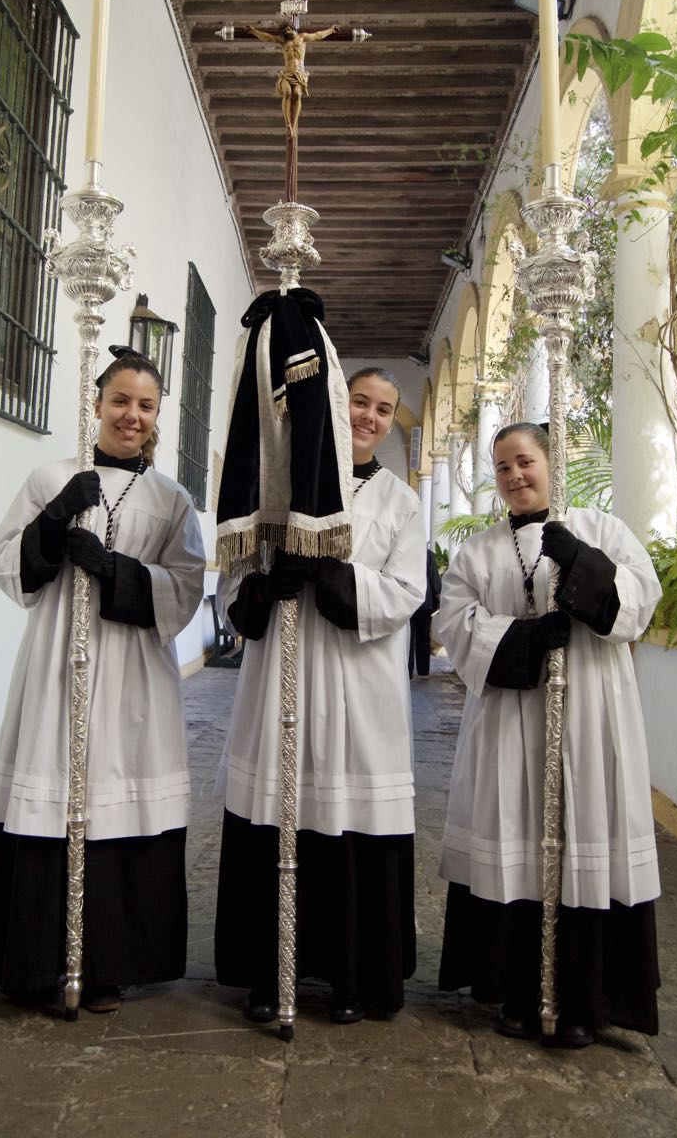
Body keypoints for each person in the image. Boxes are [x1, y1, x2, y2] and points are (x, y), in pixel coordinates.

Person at [0, 347, 205, 1015]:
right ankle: (35, 962)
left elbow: (187, 587)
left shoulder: (171, 497)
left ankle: (110, 962)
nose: (131, 416)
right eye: (120, 401)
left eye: (145, 406)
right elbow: (2, 561)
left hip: (133, 670)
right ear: (97, 402)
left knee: (121, 799)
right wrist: (54, 520)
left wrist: (114, 571)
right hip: (57, 661)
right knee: (52, 790)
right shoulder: (53, 475)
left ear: (156, 416)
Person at [435, 421, 661, 1047]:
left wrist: (580, 563)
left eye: (525, 462)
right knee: (517, 841)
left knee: (586, 836)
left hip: (590, 714)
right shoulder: (477, 552)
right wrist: (526, 640)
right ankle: (514, 990)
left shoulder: (602, 531)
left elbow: (641, 603)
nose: (515, 477)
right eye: (503, 467)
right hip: (511, 721)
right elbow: (454, 624)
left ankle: (587, 1000)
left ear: (550, 461)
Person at [214, 367, 426, 1023]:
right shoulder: (278, 486)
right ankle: (266, 971)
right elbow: (234, 575)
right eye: (359, 401)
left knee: (349, 819)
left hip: (359, 686)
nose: (368, 416)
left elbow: (406, 592)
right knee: (277, 808)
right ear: (337, 405)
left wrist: (332, 577)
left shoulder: (401, 502)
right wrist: (266, 585)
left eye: (383, 409)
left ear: (391, 423)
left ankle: (352, 975)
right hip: (278, 675)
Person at [243, 21, 339, 138]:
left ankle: (293, 125)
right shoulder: (283, 41)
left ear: (292, 28)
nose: (287, 32)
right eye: (284, 31)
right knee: (287, 93)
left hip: (299, 74)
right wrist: (254, 31)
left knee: (297, 94)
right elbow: (268, 37)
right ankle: (288, 124)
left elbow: (317, 35)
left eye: (288, 29)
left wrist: (330, 30)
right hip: (287, 73)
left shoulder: (302, 37)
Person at [408, 547, 442, 677]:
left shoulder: (404, 552)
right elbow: (434, 577)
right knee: (423, 637)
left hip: (408, 600)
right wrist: (438, 596)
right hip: (424, 601)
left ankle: (408, 671)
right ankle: (423, 671)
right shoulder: (428, 554)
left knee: (409, 637)